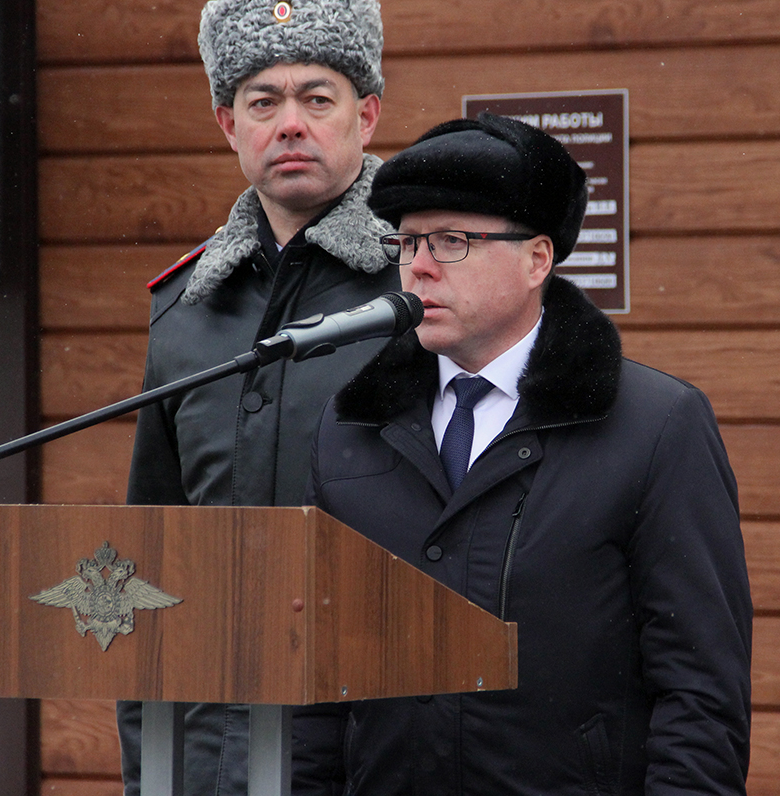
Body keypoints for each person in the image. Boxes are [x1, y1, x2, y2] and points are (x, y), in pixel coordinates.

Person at [294, 113, 753, 795]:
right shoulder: (352, 425)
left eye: (451, 241)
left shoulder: (655, 426)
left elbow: (700, 694)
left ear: (538, 259)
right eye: (408, 241)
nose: (418, 266)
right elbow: (320, 689)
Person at [117, 0, 399, 796]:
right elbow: (148, 559)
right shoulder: (184, 310)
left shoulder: (422, 292)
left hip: (372, 738)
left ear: (367, 115)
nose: (291, 125)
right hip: (211, 753)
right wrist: (149, 769)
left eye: (319, 97)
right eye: (264, 101)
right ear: (227, 125)